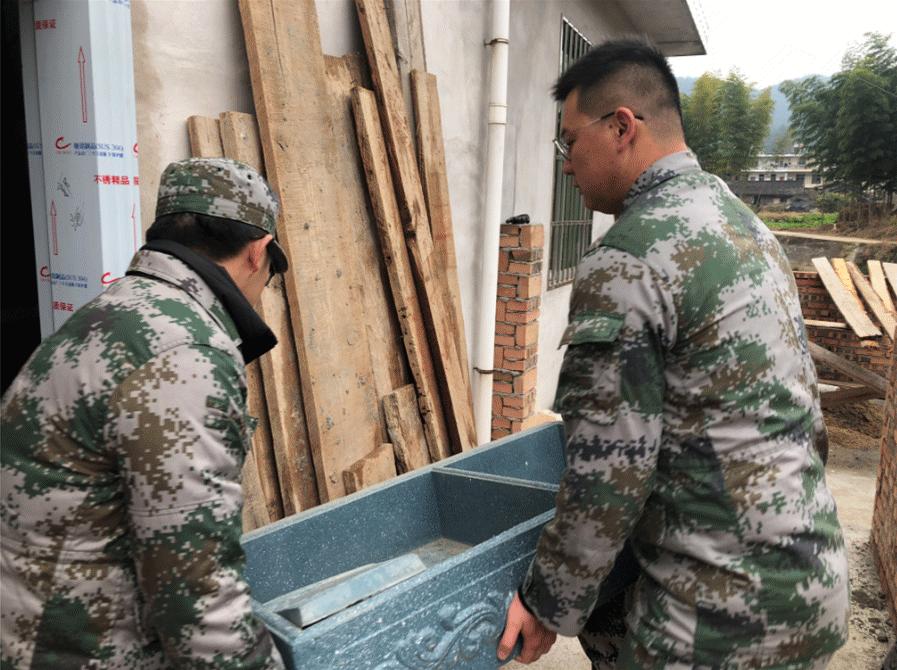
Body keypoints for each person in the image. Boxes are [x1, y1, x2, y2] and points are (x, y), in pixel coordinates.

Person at [498, 38, 849, 668]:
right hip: (809, 591)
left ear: (622, 127)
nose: (567, 166)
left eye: (569, 143)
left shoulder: (630, 255)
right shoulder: (745, 226)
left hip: (712, 622)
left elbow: (609, 470)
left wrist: (547, 603)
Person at [1, 158, 290, 668]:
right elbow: (195, 588)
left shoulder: (116, 310)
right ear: (257, 251)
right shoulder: (184, 354)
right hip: (78, 646)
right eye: (273, 271)